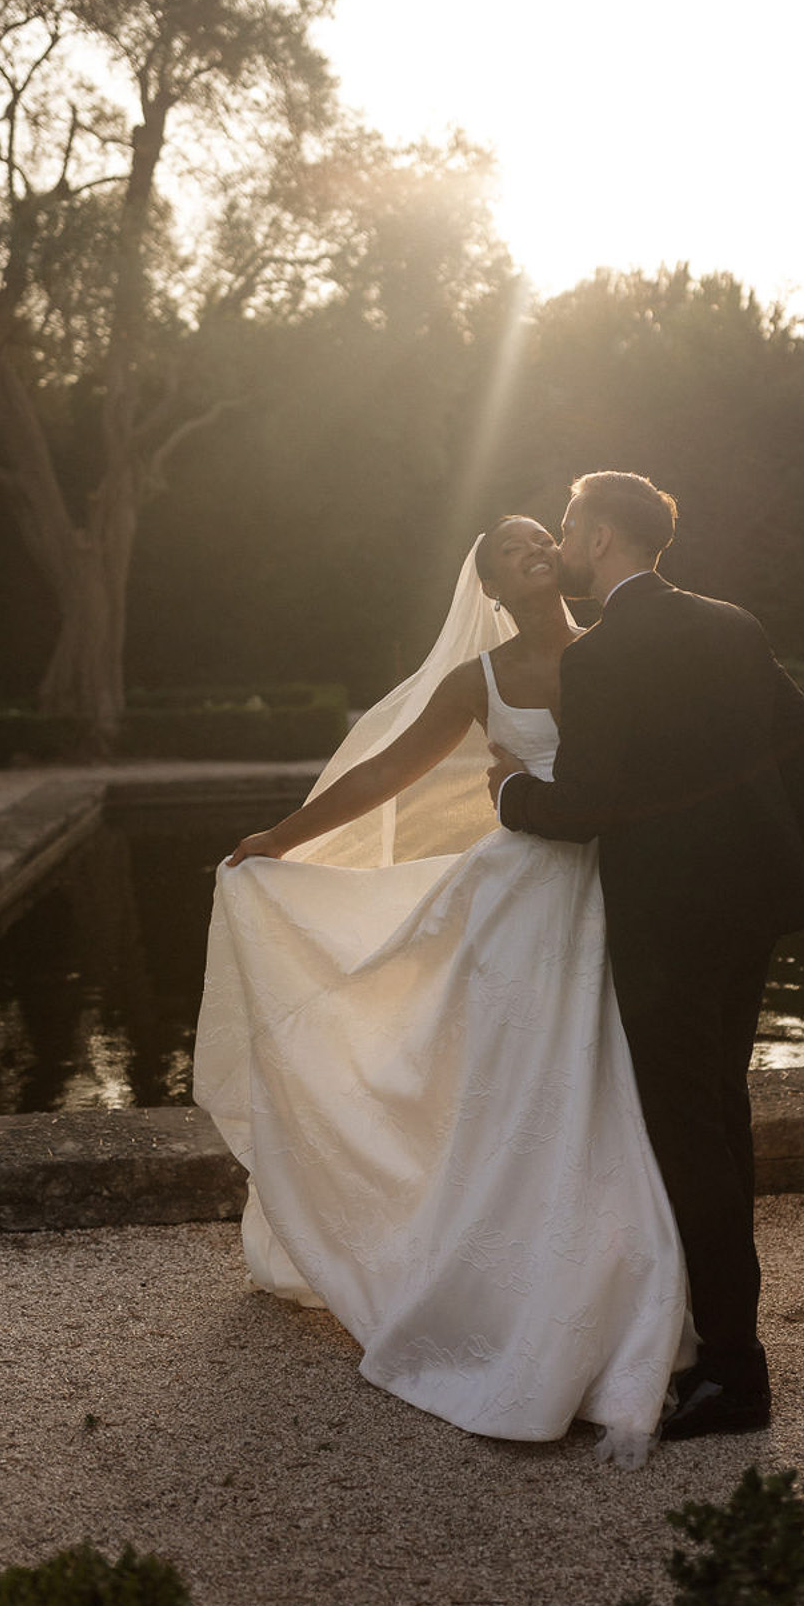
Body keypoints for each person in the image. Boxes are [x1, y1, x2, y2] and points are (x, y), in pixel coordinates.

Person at [193, 518, 692, 1466]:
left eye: (543, 533)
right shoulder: (479, 680)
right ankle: (510, 1303)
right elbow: (385, 773)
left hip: (627, 893)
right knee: (528, 1100)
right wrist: (280, 839)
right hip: (524, 904)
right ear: (490, 588)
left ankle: (628, 1294)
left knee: (620, 1091)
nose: (536, 544)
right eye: (511, 546)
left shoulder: (622, 645)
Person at [488, 472, 804, 1442]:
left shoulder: (599, 658)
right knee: (723, 1112)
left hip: (668, 928)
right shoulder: (734, 623)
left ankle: (733, 1370)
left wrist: (512, 792)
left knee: (690, 1131)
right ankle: (728, 1341)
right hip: (752, 909)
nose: (560, 542)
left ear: (598, 536)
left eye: (566, 526)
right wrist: (774, 849)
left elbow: (584, 807)